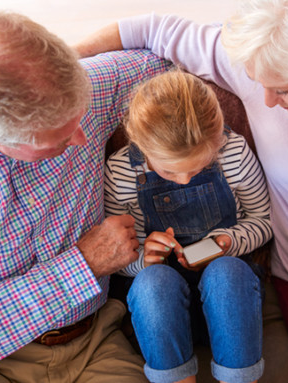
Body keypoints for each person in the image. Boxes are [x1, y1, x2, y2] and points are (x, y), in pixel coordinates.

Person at [73, 0, 288, 380]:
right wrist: (65, 64)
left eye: (283, 90)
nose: (267, 101)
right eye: (261, 84)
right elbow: (151, 28)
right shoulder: (260, 63)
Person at [0, 12, 172, 382]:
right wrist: (83, 264)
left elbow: (173, 45)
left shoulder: (85, 87)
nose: (82, 140)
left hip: (95, 341)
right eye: (61, 141)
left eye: (81, 117)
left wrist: (76, 56)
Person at [104, 70, 272, 383]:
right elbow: (118, 259)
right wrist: (143, 257)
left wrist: (229, 241)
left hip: (230, 302)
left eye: (199, 168)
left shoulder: (233, 153)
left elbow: (263, 220)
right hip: (161, 309)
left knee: (227, 272)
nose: (184, 179)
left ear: (218, 137)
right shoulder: (121, 172)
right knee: (153, 281)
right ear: (140, 143)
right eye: (169, 170)